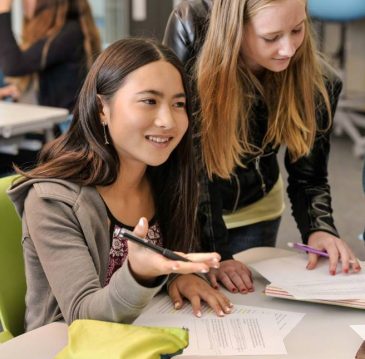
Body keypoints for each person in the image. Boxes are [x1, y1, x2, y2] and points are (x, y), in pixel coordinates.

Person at [7, 38, 232, 332]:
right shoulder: (52, 200)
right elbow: (82, 317)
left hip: (146, 336)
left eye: (179, 104)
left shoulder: (165, 177)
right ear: (102, 108)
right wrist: (138, 273)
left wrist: (180, 276)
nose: (168, 120)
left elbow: (177, 253)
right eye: (149, 101)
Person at [163, 0, 361, 293]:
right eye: (271, 38)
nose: (289, 50)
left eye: (297, 29)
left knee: (247, 310)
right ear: (235, 30)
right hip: (189, 207)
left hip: (258, 207)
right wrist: (217, 252)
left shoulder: (320, 81)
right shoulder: (190, 28)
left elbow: (310, 176)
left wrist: (319, 228)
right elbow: (188, 165)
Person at [0, 0, 101, 111]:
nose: (23, 2)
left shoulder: (70, 34)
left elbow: (13, 66)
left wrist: (3, 10)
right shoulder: (58, 34)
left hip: (66, 124)